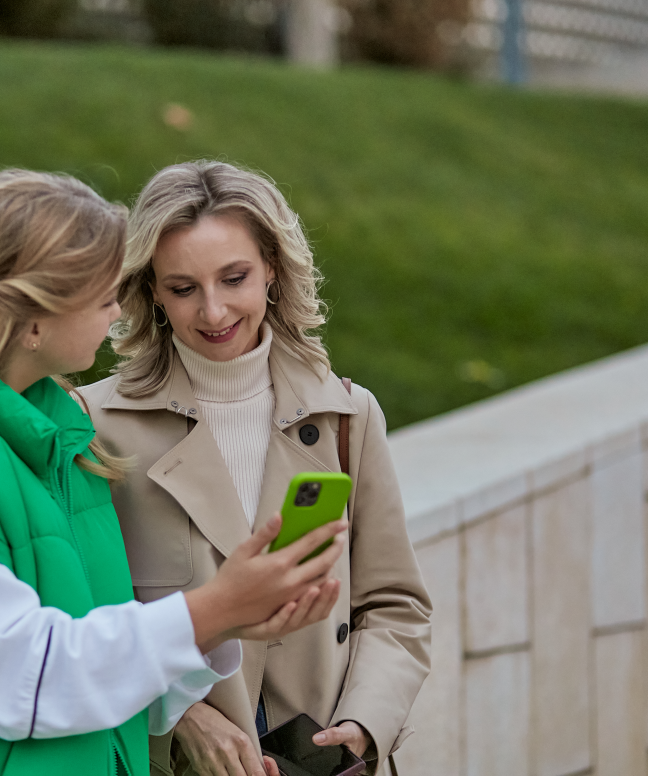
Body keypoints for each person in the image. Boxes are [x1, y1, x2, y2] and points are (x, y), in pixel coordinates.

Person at [0, 169, 349, 776]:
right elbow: (19, 679)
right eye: (104, 296)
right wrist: (213, 609)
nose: (116, 315)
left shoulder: (63, 443)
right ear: (32, 320)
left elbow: (92, 650)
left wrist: (227, 628)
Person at [79, 161, 432, 776]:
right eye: (183, 288)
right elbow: (83, 620)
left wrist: (363, 725)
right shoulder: (95, 427)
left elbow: (394, 601)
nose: (213, 313)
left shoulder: (348, 415)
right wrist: (182, 714)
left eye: (233, 278)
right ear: (152, 292)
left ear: (272, 267)